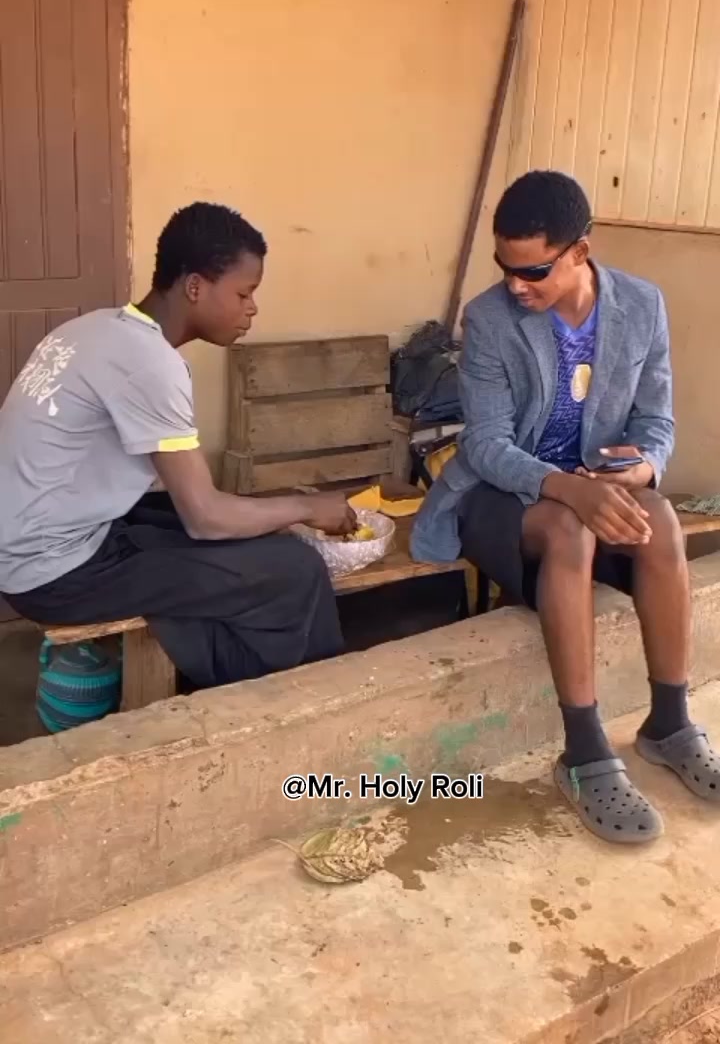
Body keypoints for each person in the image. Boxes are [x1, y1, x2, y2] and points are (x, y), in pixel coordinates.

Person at [412, 170, 720, 844]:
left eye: (534, 270)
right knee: (569, 531)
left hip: (594, 487)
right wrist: (568, 486)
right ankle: (583, 750)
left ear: (581, 250)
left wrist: (643, 466)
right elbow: (486, 445)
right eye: (505, 267)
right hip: (501, 497)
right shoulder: (490, 319)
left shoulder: (642, 305)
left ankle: (669, 723)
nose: (516, 285)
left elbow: (657, 420)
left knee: (661, 520)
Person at [0, 202, 358, 690]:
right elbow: (205, 517)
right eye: (244, 292)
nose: (252, 308)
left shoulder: (96, 327)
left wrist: (279, 511)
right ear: (195, 287)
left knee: (219, 524)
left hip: (35, 542)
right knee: (295, 568)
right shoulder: (150, 363)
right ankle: (292, 699)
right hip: (54, 574)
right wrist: (308, 507)